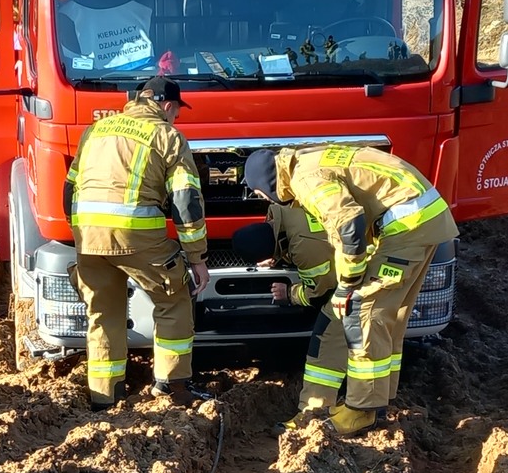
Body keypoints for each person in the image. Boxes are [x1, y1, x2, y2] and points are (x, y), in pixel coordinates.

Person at [242, 143, 456, 434]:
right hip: (421, 219)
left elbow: (349, 225)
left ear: (268, 182)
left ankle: (360, 410)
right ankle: (377, 402)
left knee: (361, 310)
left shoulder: (305, 180)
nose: (262, 199)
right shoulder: (304, 161)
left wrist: (347, 287)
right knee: (388, 316)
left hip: (406, 225)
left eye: (259, 193)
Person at [65, 76, 208, 408]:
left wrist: (79, 236)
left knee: (102, 312)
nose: (175, 119)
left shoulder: (95, 130)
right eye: (176, 113)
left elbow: (70, 188)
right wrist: (196, 258)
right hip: (138, 236)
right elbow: (185, 201)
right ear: (168, 106)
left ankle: (104, 395)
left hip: (89, 237)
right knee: (174, 298)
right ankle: (172, 387)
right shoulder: (167, 136)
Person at [228, 200, 339, 408]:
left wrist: (288, 293)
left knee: (325, 341)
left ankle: (315, 409)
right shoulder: (283, 210)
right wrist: (279, 257)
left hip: (361, 275)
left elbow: (319, 291)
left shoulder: (305, 250)